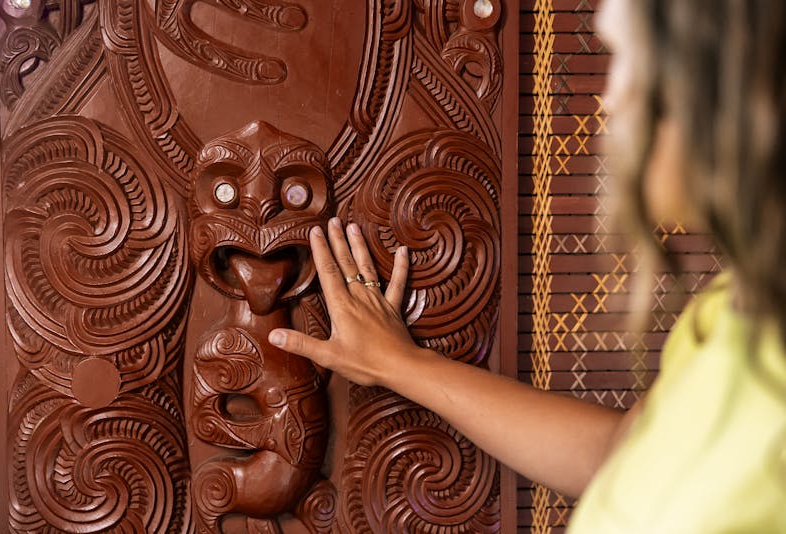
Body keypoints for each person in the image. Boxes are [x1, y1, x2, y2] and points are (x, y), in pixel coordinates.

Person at [267, 0, 786, 530]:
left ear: (730, 80)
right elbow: (619, 457)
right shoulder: (734, 314)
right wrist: (401, 364)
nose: (610, 99)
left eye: (634, 57)